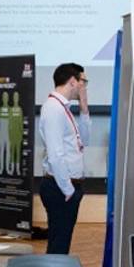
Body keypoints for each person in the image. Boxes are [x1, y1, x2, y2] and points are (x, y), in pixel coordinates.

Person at [38, 63, 90, 254]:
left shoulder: (64, 108)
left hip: (67, 187)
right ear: (72, 81)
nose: (84, 86)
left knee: (61, 243)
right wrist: (68, 190)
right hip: (60, 188)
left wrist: (84, 109)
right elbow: (55, 155)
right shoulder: (53, 108)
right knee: (58, 246)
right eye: (83, 81)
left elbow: (84, 140)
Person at [9, 91, 24, 175]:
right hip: (11, 134)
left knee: (17, 152)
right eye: (14, 97)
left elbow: (21, 123)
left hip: (18, 134)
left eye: (17, 97)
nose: (15, 98)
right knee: (12, 152)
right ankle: (11, 169)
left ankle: (17, 169)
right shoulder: (11, 110)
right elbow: (9, 123)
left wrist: (21, 134)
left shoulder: (20, 110)